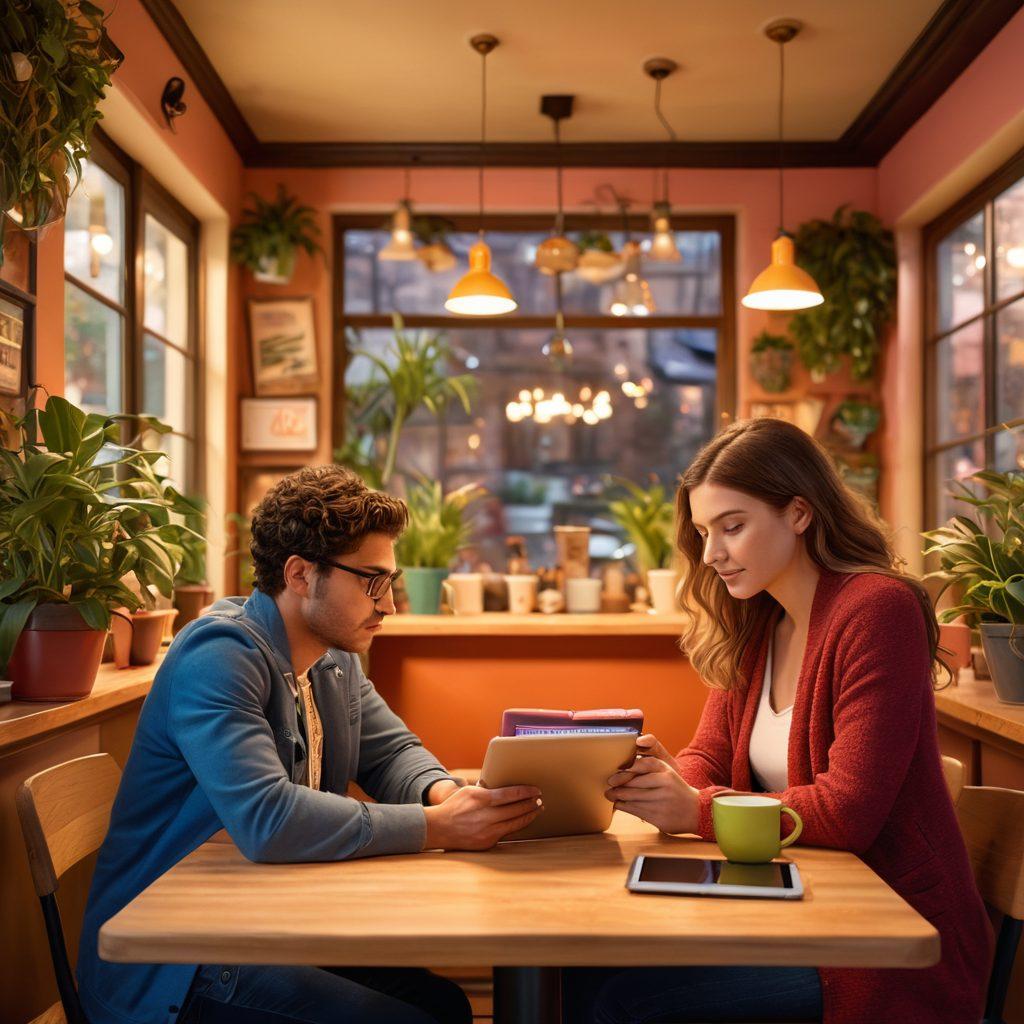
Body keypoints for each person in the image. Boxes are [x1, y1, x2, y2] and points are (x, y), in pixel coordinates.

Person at [77, 465, 542, 1024]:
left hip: (264, 920)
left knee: (443, 1006)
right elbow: (268, 819)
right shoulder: (219, 656)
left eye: (388, 582)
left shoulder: (333, 656)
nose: (389, 604)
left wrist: (448, 797)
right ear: (300, 574)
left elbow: (390, 752)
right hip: (176, 960)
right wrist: (439, 829)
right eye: (372, 581)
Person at [565, 418, 992, 1024]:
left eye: (732, 527)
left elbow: (847, 812)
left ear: (798, 512)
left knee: (628, 1004)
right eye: (704, 532)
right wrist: (665, 781)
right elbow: (708, 758)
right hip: (794, 906)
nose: (712, 554)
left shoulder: (877, 610)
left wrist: (694, 809)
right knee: (588, 967)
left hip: (881, 941)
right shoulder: (762, 622)